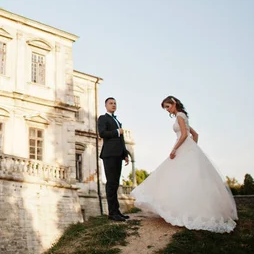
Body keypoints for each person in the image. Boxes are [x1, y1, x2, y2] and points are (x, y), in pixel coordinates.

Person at [130, 96, 238, 233]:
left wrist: (175, 149)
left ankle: (179, 210)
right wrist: (193, 149)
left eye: (168, 107)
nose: (167, 110)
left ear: (174, 103)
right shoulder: (183, 116)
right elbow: (195, 135)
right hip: (189, 148)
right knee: (185, 178)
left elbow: (185, 135)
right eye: (165, 108)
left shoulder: (180, 116)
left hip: (183, 146)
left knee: (174, 175)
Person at [98, 97, 130, 221]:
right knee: (111, 184)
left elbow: (121, 139)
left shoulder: (117, 120)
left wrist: (125, 154)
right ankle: (112, 213)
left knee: (116, 184)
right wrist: (117, 131)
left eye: (115, 103)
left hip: (118, 154)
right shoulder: (103, 118)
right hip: (109, 154)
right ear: (106, 105)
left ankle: (117, 211)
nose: (113, 105)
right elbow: (102, 133)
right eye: (111, 103)